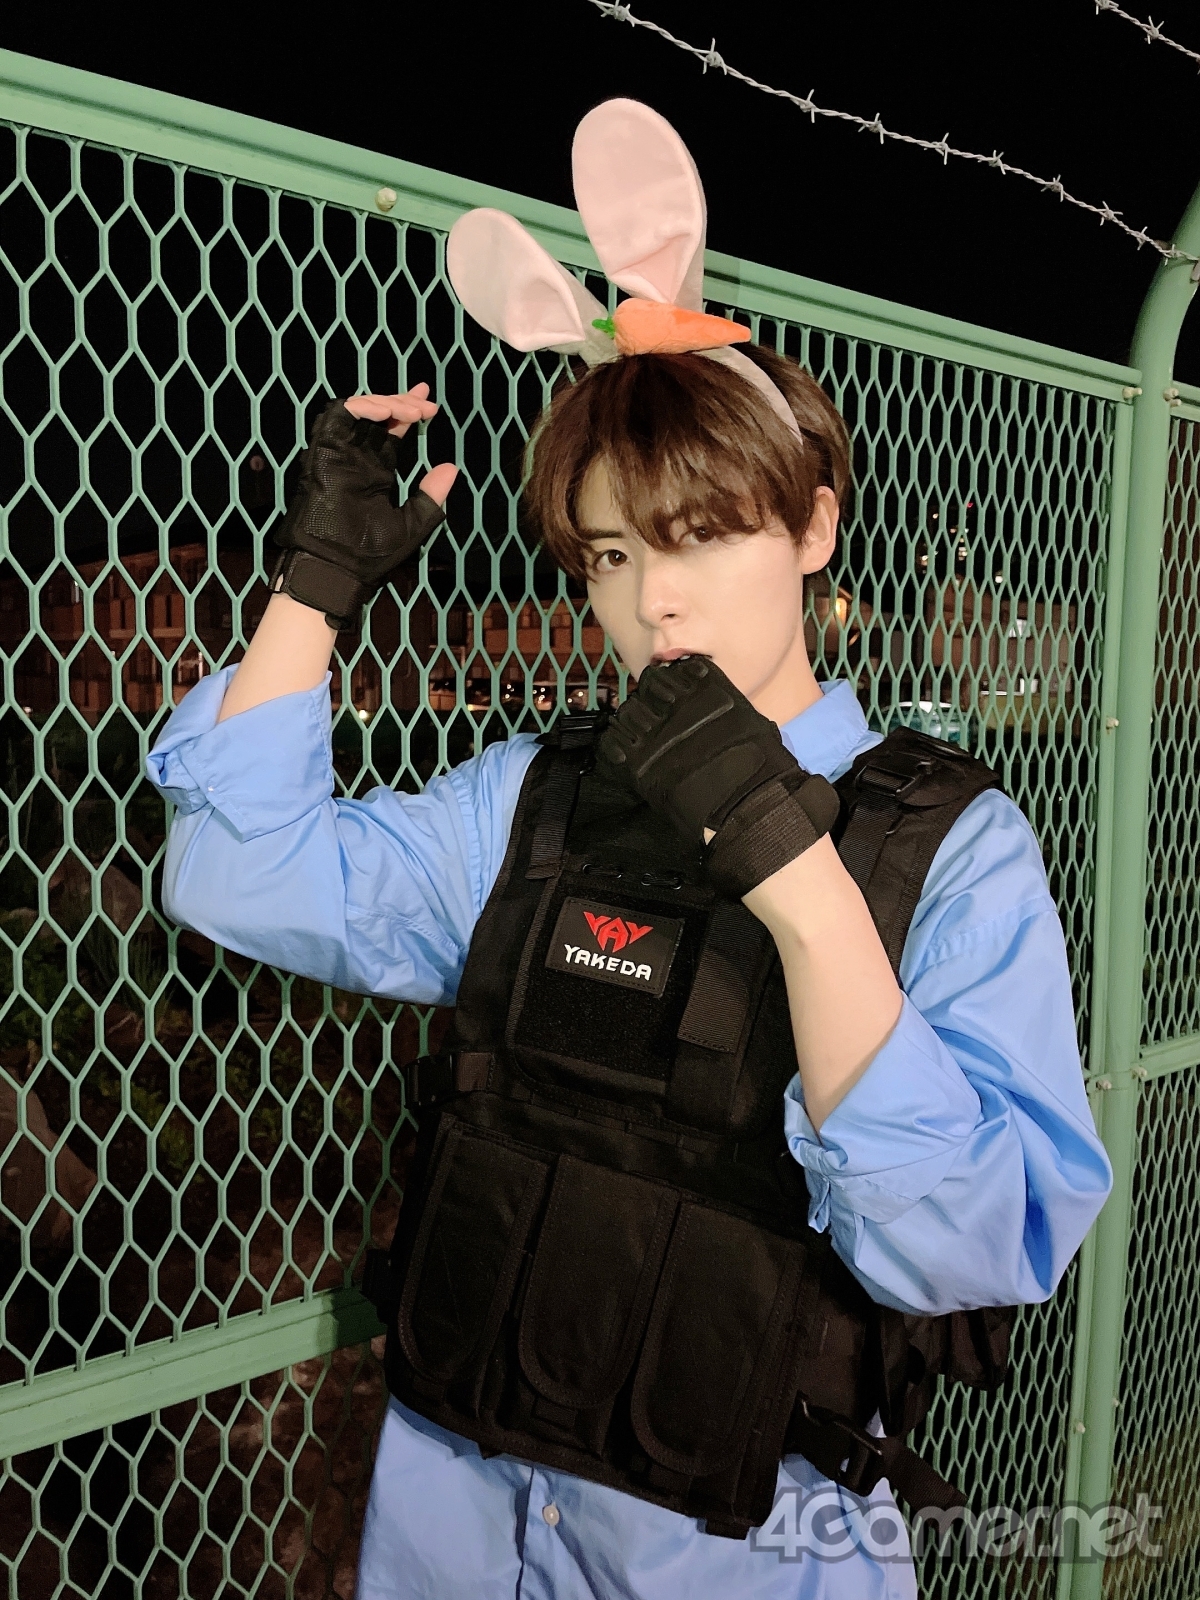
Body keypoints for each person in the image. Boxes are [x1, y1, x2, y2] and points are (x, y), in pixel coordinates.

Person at [146, 101, 1113, 1600]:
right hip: (456, 1523)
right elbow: (237, 876)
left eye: (702, 535)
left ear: (812, 530)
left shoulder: (952, 848)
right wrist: (314, 588)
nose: (654, 601)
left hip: (747, 1549)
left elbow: (979, 1246)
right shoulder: (535, 798)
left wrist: (803, 889)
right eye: (611, 553)